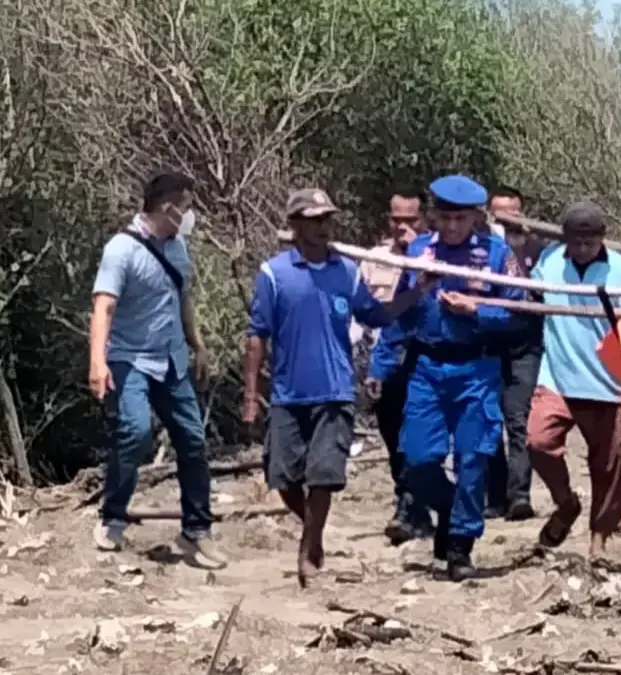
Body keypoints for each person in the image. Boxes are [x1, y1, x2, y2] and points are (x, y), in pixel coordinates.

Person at [243, 188, 425, 586]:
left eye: (327, 219)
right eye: (314, 219)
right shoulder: (274, 274)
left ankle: (308, 549)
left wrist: (417, 291)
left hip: (336, 389)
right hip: (289, 393)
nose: (323, 226)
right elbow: (257, 335)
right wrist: (251, 394)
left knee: (324, 474)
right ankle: (314, 531)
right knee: (284, 478)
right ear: (295, 225)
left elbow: (376, 315)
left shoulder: (346, 272)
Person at [88, 171, 226, 569]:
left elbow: (183, 298)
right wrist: (98, 361)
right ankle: (113, 516)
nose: (189, 215)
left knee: (193, 440)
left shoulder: (178, 247)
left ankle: (196, 529)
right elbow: (104, 306)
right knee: (135, 431)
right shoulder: (122, 250)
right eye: (185, 207)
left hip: (171, 360)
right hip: (129, 358)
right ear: (168, 208)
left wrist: (196, 344)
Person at [398, 174, 525, 581]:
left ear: (475, 218)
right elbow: (401, 313)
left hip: (477, 368)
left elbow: (521, 314)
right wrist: (419, 288)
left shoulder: (497, 255)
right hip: (428, 368)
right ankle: (452, 510)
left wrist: (478, 311)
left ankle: (459, 548)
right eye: (445, 218)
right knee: (416, 460)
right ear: (434, 217)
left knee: (474, 458)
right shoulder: (419, 251)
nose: (452, 227)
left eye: (461, 219)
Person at [527, 201, 621, 560]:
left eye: (588, 243)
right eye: (574, 243)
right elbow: (527, 292)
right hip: (557, 375)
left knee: (607, 463)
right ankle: (565, 503)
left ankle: (599, 539)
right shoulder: (549, 261)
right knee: (537, 441)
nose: (580, 250)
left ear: (602, 240)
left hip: (607, 382)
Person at [364, 188, 435, 544]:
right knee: (394, 440)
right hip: (387, 360)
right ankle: (412, 507)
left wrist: (416, 253)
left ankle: (412, 508)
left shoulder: (436, 255)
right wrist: (371, 365)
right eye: (397, 219)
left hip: (426, 363)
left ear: (424, 220)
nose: (403, 227)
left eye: (411, 220)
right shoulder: (373, 259)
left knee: (417, 440)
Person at [482, 186, 545, 521]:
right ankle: (495, 497)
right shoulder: (484, 250)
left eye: (512, 212)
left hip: (527, 348)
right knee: (490, 421)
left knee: (518, 421)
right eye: (499, 212)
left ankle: (519, 495)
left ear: (523, 213)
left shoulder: (541, 251)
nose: (506, 219)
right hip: (489, 347)